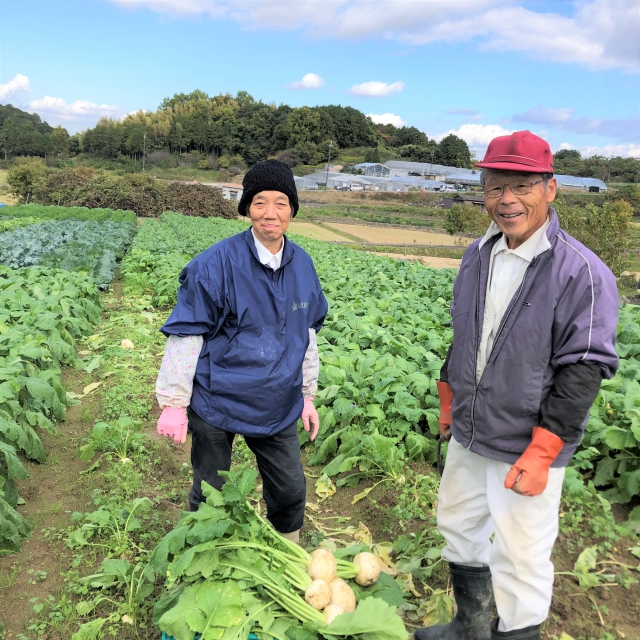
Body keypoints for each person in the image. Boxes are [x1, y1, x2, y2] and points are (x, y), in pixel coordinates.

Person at [415, 131, 619, 640]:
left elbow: (584, 367)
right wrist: (448, 393)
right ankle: (470, 625)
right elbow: (467, 334)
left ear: (550, 189)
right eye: (494, 185)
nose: (506, 200)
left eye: (522, 186)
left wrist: (546, 447)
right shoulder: (477, 255)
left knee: (521, 556)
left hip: (527, 441)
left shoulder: (582, 272)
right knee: (460, 530)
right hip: (471, 429)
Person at [154, 159, 328, 543]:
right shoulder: (215, 264)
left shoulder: (303, 266)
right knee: (211, 492)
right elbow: (187, 334)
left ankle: (289, 556)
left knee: (290, 490)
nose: (270, 213)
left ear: (292, 209)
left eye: (281, 202)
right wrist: (174, 402)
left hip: (277, 401)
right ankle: (205, 557)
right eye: (260, 202)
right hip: (219, 399)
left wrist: (307, 395)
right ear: (247, 208)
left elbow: (307, 335)